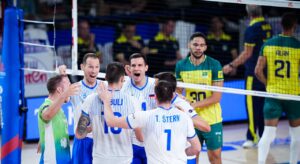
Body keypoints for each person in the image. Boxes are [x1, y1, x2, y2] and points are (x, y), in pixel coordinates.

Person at [99, 80, 201, 163]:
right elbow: (197, 148)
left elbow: (111, 121)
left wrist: (106, 101)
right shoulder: (185, 117)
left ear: (155, 96)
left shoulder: (145, 116)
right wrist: (181, 153)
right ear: (172, 97)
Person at [223, 5, 272, 148]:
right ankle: (263, 136)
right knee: (263, 105)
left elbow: (247, 53)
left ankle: (251, 137)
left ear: (248, 13)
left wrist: (231, 65)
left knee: (252, 107)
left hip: (253, 73)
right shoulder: (267, 26)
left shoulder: (251, 29)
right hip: (266, 72)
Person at [255, 13, 300, 164]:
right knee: (296, 135)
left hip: (274, 93)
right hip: (293, 94)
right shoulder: (298, 46)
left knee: (268, 134)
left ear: (281, 25)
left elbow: (257, 71)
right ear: (294, 26)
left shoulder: (268, 44)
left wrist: (268, 84)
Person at [76, 62, 143, 163]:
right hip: (124, 159)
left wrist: (92, 127)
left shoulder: (91, 99)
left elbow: (79, 134)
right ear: (122, 79)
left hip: (100, 159)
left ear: (106, 77)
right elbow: (140, 137)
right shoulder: (133, 102)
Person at [175, 32, 224, 164]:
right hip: (191, 119)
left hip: (212, 119)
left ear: (205, 47)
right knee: (192, 156)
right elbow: (178, 91)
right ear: (189, 45)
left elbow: (216, 97)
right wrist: (181, 99)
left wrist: (193, 105)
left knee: (215, 156)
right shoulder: (181, 65)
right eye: (195, 44)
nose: (198, 48)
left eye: (202, 45)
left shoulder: (214, 64)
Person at [153, 72, 210, 164]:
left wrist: (184, 116)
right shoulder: (156, 100)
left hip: (184, 158)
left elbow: (206, 127)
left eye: (156, 86)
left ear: (166, 87)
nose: (153, 89)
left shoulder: (182, 104)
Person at [59, 53, 101, 164]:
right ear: (82, 67)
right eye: (90, 67)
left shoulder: (104, 86)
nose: (94, 71)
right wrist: (62, 75)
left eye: (97, 67)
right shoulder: (75, 88)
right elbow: (63, 99)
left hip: (101, 141)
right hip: (82, 140)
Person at [122, 53, 156, 164]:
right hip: (132, 143)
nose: (136, 68)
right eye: (133, 65)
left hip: (152, 142)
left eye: (140, 65)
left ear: (146, 67)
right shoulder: (123, 87)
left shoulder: (155, 85)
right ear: (129, 68)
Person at [38, 75, 80, 164]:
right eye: (68, 85)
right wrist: (65, 94)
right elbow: (47, 115)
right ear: (59, 90)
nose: (71, 88)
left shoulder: (59, 109)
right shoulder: (45, 106)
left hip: (64, 160)